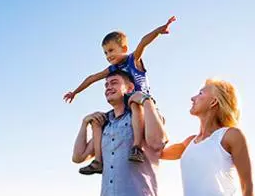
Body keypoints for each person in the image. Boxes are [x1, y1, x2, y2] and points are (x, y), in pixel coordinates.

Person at [65, 16, 176, 175]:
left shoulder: (133, 60)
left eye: (111, 50)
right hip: (125, 107)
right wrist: (75, 91)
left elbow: (143, 42)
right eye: (105, 53)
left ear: (124, 48)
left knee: (133, 103)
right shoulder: (112, 69)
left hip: (140, 101)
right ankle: (98, 161)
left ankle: (136, 147)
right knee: (97, 122)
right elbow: (92, 78)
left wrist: (159, 30)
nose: (108, 56)